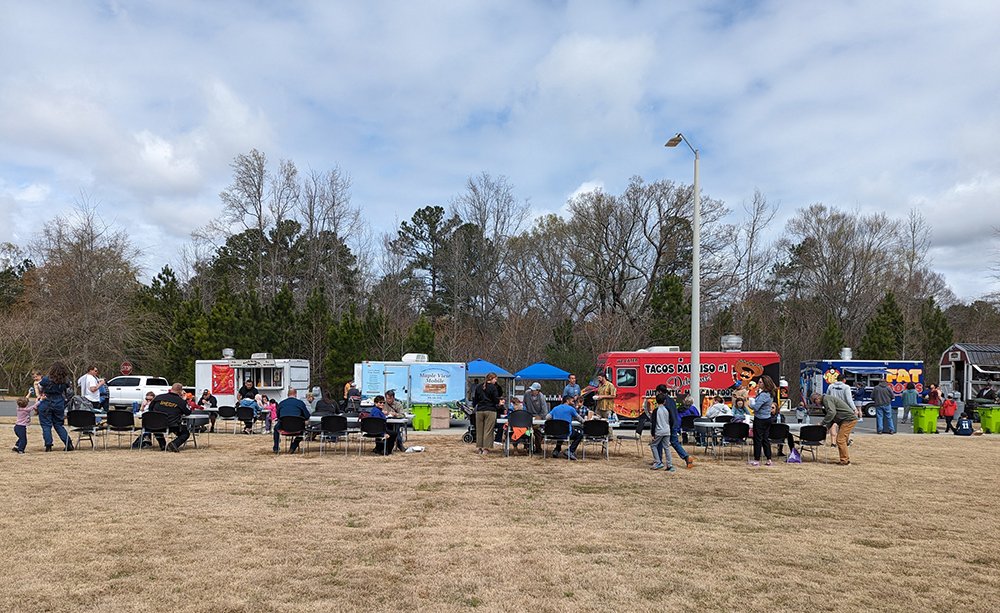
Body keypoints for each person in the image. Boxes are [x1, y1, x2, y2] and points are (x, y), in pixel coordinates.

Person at [813, 391, 859, 465]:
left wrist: (822, 423)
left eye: (815, 402)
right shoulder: (827, 400)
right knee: (841, 440)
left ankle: (845, 461)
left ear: (817, 398)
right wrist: (825, 428)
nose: (816, 404)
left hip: (848, 420)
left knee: (840, 440)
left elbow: (832, 413)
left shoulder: (826, 399)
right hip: (844, 420)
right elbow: (833, 418)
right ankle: (844, 460)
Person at [37, 362, 74, 451]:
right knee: (58, 424)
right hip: (59, 401)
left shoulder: (46, 379)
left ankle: (48, 445)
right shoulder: (65, 380)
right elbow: (69, 391)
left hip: (47, 401)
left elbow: (39, 386)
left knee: (46, 425)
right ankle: (68, 443)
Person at [272, 387, 311, 454]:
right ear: (295, 394)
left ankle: (276, 447)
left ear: (287, 394)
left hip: (284, 427)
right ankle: (293, 446)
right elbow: (307, 416)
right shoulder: (300, 403)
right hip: (297, 427)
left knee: (276, 428)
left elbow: (278, 416)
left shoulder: (281, 403)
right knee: (304, 431)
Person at [749, 375, 777, 466]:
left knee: (758, 439)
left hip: (760, 419)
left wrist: (750, 404)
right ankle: (769, 459)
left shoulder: (764, 395)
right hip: (767, 418)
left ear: (765, 384)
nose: (758, 383)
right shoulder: (770, 394)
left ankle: (756, 459)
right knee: (765, 439)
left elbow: (756, 407)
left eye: (760, 382)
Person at [472, 373, 503, 455]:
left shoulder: (479, 387)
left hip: (479, 410)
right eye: (495, 379)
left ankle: (479, 448)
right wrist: (500, 403)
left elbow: (475, 400)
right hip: (490, 410)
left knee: (479, 430)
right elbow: (495, 400)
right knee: (488, 430)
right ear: (491, 378)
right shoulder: (493, 388)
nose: (496, 381)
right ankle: (486, 448)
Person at [545, 394, 583, 460]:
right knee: (579, 435)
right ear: (567, 401)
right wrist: (585, 421)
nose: (573, 403)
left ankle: (556, 450)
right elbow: (579, 419)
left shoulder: (555, 408)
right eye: (572, 401)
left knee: (560, 431)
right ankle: (570, 451)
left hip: (555, 432)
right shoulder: (571, 409)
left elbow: (547, 417)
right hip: (566, 432)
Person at [648, 392, 676, 472]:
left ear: (656, 401)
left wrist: (652, 433)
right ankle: (669, 465)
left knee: (653, 445)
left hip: (659, 431)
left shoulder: (656, 411)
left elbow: (653, 423)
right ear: (665, 401)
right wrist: (669, 427)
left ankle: (658, 461)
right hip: (667, 430)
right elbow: (672, 420)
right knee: (667, 447)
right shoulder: (667, 410)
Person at [826, 374, 855, 446]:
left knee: (833, 424)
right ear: (844, 380)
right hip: (843, 409)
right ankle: (846, 441)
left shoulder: (831, 386)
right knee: (844, 425)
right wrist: (854, 408)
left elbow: (827, 396)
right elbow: (849, 399)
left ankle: (833, 442)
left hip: (833, 407)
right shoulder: (846, 387)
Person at [522, 382, 547, 453]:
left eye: (534, 390)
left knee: (537, 431)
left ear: (538, 391)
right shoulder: (527, 393)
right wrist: (525, 413)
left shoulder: (541, 397)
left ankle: (538, 448)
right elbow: (524, 404)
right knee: (527, 430)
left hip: (538, 415)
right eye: (532, 390)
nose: (532, 391)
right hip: (528, 414)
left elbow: (544, 410)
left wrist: (540, 418)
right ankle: (527, 446)